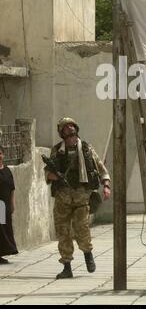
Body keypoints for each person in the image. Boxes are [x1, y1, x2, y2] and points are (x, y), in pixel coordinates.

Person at [45, 118, 111, 280]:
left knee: (82, 229)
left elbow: (102, 169)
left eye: (71, 125)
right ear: (62, 133)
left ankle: (88, 254)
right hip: (63, 199)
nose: (69, 128)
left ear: (76, 128)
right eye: (65, 127)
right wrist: (56, 176)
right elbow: (47, 174)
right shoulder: (56, 151)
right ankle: (67, 267)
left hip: (82, 197)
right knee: (63, 233)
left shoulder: (87, 149)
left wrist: (106, 185)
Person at [0, 145, 18, 264]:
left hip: (5, 206)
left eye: (0, 153)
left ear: (3, 155)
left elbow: (12, 188)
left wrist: (12, 204)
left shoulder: (7, 170)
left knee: (5, 229)